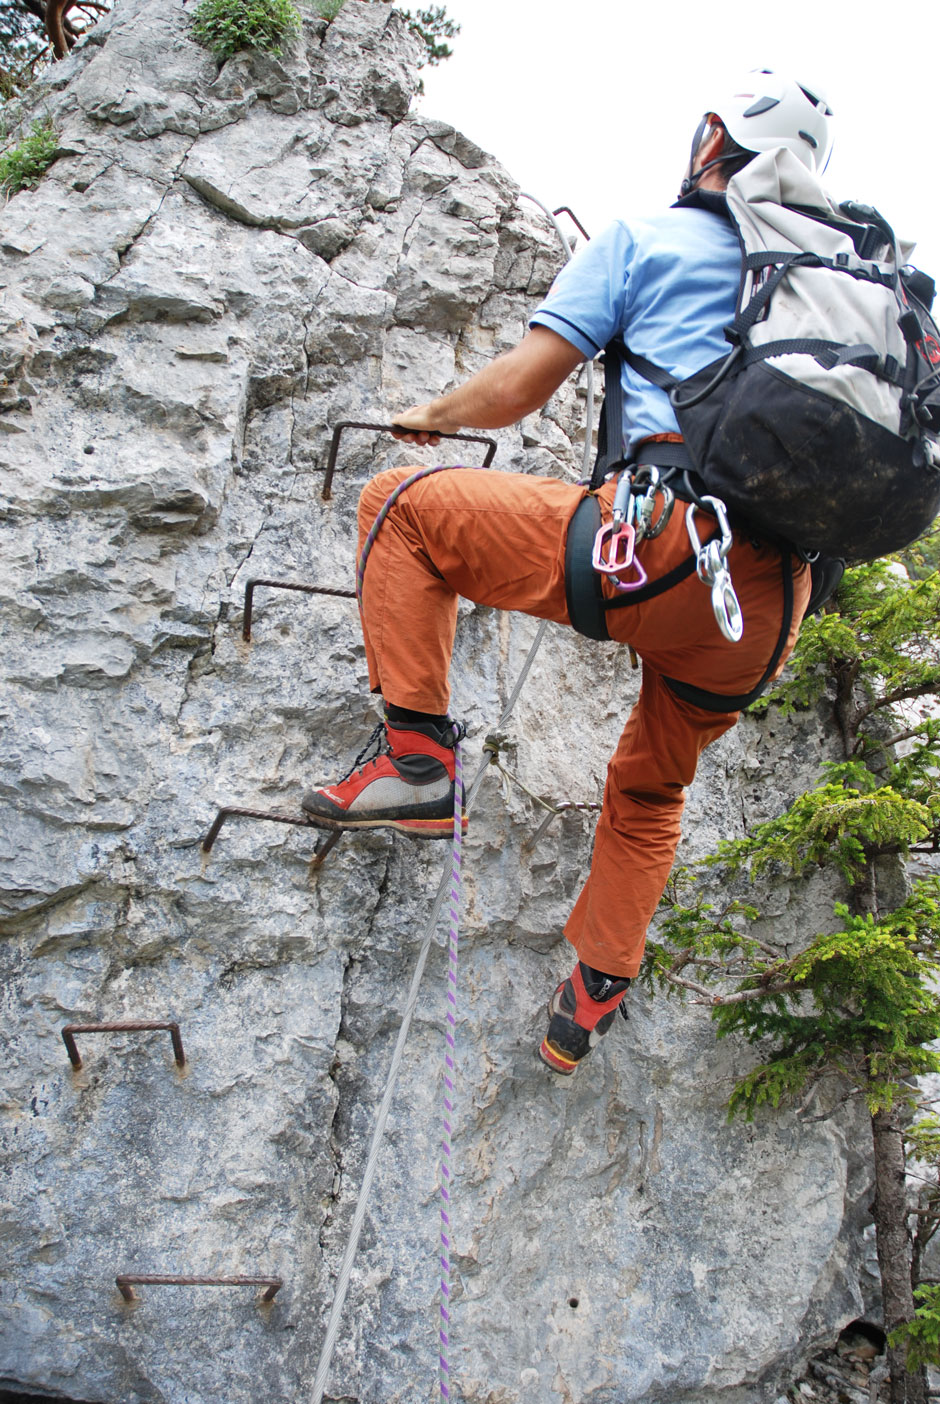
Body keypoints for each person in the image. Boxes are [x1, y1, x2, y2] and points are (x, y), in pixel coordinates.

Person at [303, 71, 831, 1075]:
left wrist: (432, 418)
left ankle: (418, 759)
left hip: (664, 546)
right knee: (649, 789)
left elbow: (519, 389)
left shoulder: (647, 241)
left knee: (400, 508)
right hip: (768, 615)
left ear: (710, 141)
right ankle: (592, 991)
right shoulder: (824, 295)